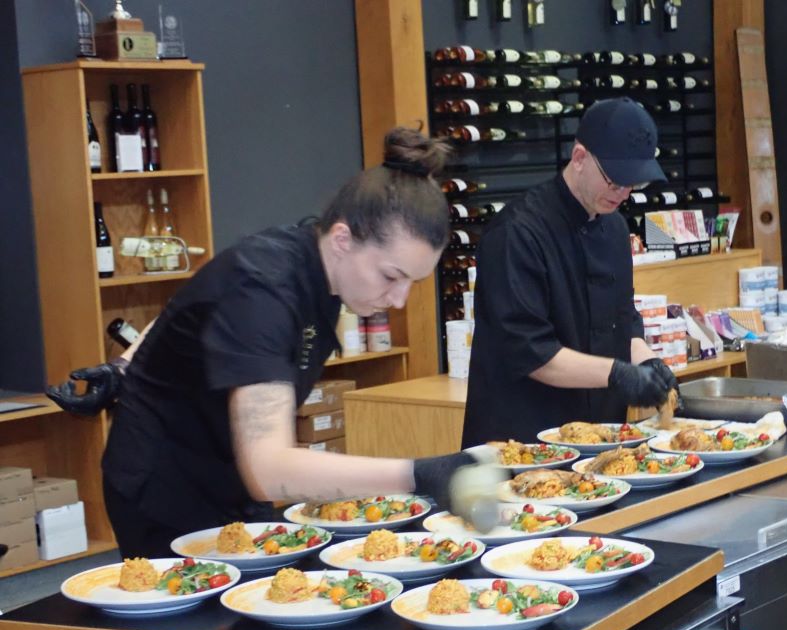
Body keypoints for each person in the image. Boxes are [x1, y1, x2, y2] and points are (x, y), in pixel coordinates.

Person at [50, 127, 496, 558]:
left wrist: (125, 366)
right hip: (168, 477)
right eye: (391, 276)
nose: (398, 300)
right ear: (343, 238)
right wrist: (420, 474)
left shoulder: (314, 262)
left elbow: (194, 307)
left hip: (228, 470)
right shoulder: (264, 286)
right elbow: (268, 469)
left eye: (412, 283)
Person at [461, 98, 678, 447]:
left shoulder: (616, 229)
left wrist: (649, 364)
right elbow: (531, 351)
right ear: (579, 158)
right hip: (522, 440)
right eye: (614, 181)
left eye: (633, 185)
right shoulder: (517, 233)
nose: (622, 194)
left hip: (599, 439)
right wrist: (619, 375)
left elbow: (622, 319)